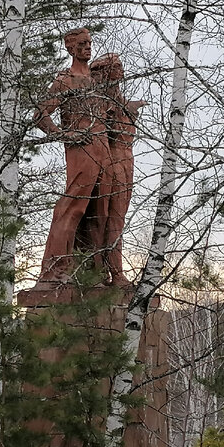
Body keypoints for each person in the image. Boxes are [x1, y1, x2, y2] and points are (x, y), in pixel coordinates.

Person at [33, 28, 111, 284]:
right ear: (71, 48)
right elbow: (41, 115)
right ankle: (56, 269)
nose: (88, 47)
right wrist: (66, 135)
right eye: (82, 43)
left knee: (100, 212)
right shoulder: (65, 79)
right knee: (72, 208)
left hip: (104, 149)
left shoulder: (97, 80)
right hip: (81, 150)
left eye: (89, 42)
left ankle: (93, 273)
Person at [88, 53, 147, 287]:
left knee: (116, 219)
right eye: (117, 66)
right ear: (107, 71)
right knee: (103, 217)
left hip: (126, 159)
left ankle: (113, 270)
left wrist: (129, 107)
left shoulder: (116, 97)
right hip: (110, 159)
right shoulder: (100, 99)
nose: (121, 70)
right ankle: (103, 271)